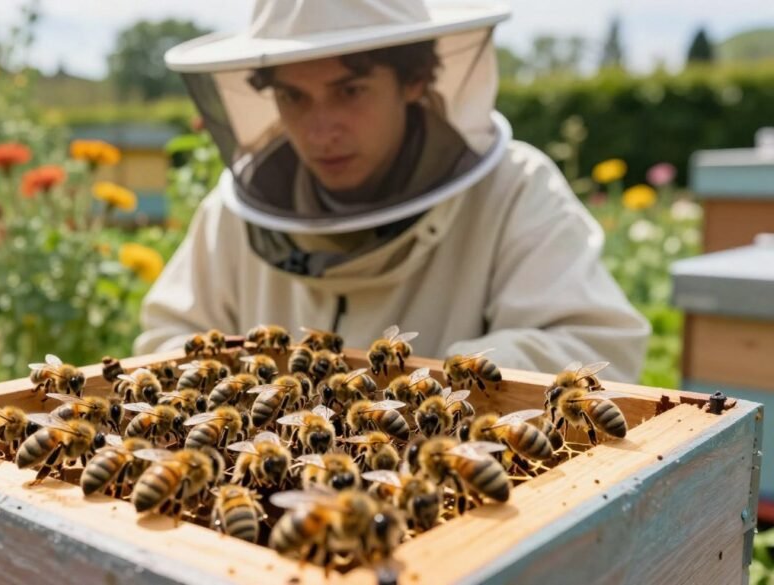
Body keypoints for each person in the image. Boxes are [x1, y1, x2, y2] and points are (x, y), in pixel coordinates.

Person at [133, 0, 649, 382]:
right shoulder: (232, 216)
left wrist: (430, 385)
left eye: (349, 91)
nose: (319, 131)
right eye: (294, 96)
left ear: (414, 79)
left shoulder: (514, 189)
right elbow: (168, 339)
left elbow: (595, 346)